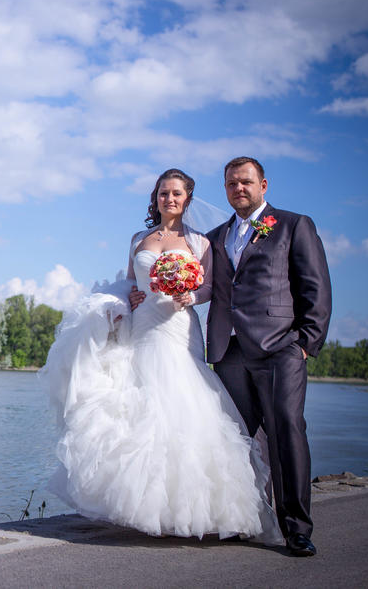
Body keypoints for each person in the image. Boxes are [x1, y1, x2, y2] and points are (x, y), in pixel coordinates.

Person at [41, 168, 282, 544]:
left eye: (176, 194)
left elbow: (210, 288)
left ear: (187, 199)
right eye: (163, 193)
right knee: (140, 409)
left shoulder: (200, 242)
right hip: (143, 326)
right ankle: (148, 509)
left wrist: (191, 295)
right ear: (155, 198)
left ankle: (194, 510)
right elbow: (129, 281)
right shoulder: (138, 239)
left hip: (178, 328)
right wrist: (129, 296)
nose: (169, 199)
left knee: (183, 405)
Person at [205, 157, 331, 557]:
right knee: (237, 439)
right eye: (231, 183)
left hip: (280, 348)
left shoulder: (293, 225)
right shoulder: (215, 236)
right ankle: (245, 519)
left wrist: (306, 342)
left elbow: (315, 286)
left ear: (263, 185)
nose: (238, 188)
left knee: (285, 432)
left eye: (245, 182)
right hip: (228, 351)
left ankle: (296, 529)